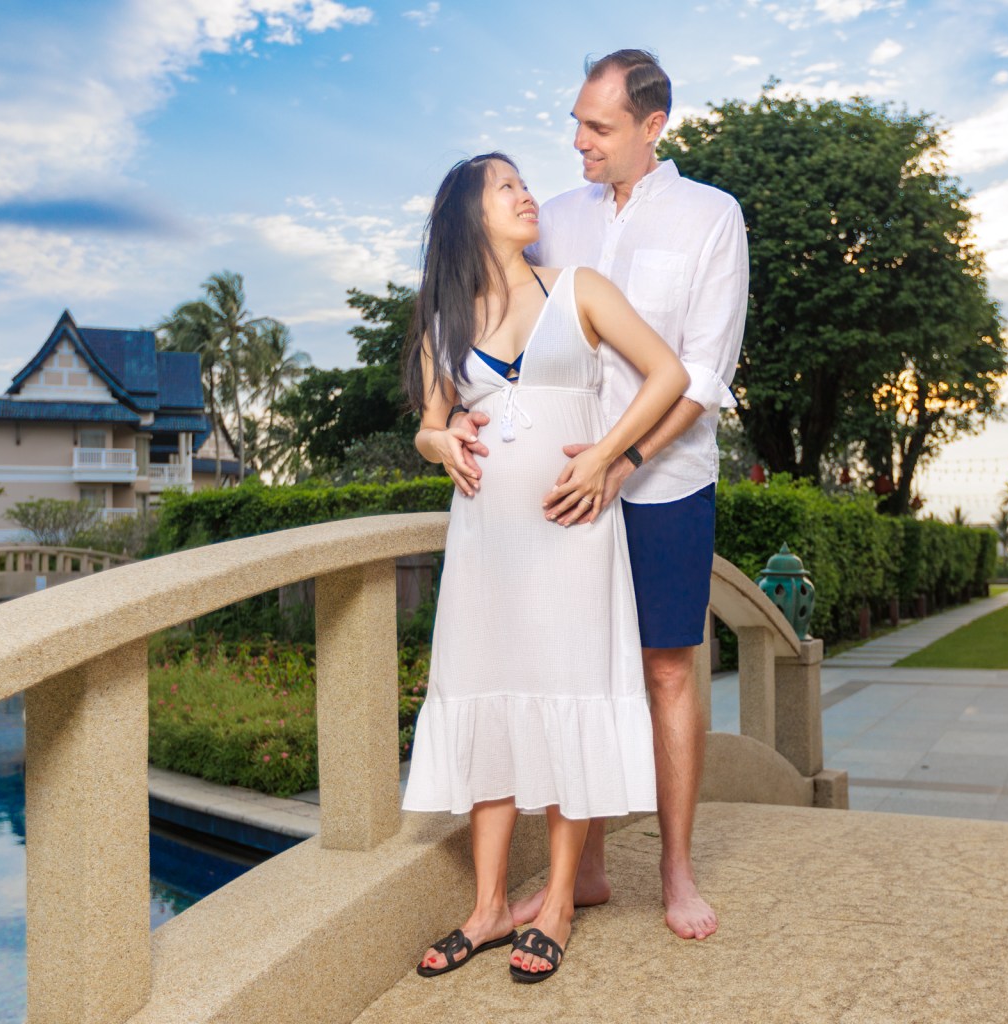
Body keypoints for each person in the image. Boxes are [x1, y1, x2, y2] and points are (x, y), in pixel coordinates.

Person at [461, 50, 748, 941]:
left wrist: (620, 462)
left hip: (662, 481)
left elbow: (704, 373)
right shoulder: (555, 220)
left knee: (665, 667)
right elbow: (503, 323)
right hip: (557, 489)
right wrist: (451, 423)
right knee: (565, 670)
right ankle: (576, 873)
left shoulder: (711, 217)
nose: (578, 142)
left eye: (599, 127)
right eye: (578, 122)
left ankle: (674, 866)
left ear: (651, 128)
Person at [400, 152, 688, 983]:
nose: (527, 194)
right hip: (487, 544)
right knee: (490, 696)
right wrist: (440, 439)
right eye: (505, 186)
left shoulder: (581, 288)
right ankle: (490, 907)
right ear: (466, 214)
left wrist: (607, 453)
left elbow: (669, 374)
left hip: (572, 533)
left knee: (568, 696)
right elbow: (429, 422)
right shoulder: (443, 320)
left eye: (525, 182)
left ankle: (558, 902)